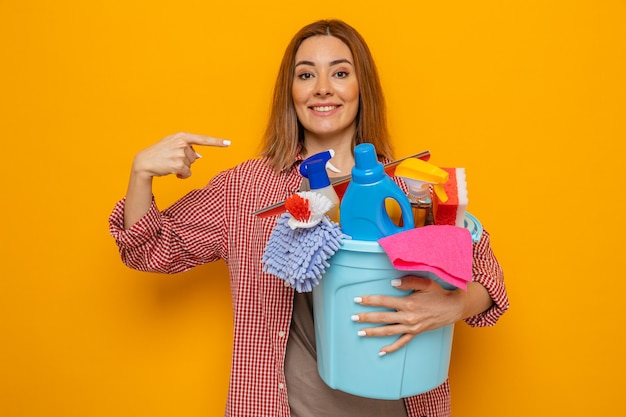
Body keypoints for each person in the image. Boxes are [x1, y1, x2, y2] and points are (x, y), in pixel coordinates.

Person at [109, 19, 509, 417]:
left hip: (400, 404)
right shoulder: (247, 188)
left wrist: (454, 306)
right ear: (292, 91)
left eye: (340, 72)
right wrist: (141, 174)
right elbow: (150, 249)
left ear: (360, 88)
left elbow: (488, 278)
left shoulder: (408, 187)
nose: (322, 87)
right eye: (306, 74)